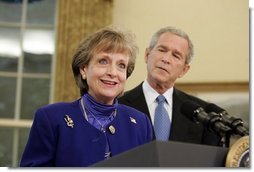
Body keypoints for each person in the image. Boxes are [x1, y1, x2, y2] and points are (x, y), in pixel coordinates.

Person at [20, 26, 153, 167]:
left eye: (121, 65)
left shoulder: (141, 124)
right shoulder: (50, 118)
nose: (113, 72)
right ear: (83, 69)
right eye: (103, 61)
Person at [119, 26, 222, 146]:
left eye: (176, 55)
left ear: (184, 70)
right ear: (147, 55)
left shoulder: (202, 115)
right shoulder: (118, 105)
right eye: (162, 50)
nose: (166, 59)